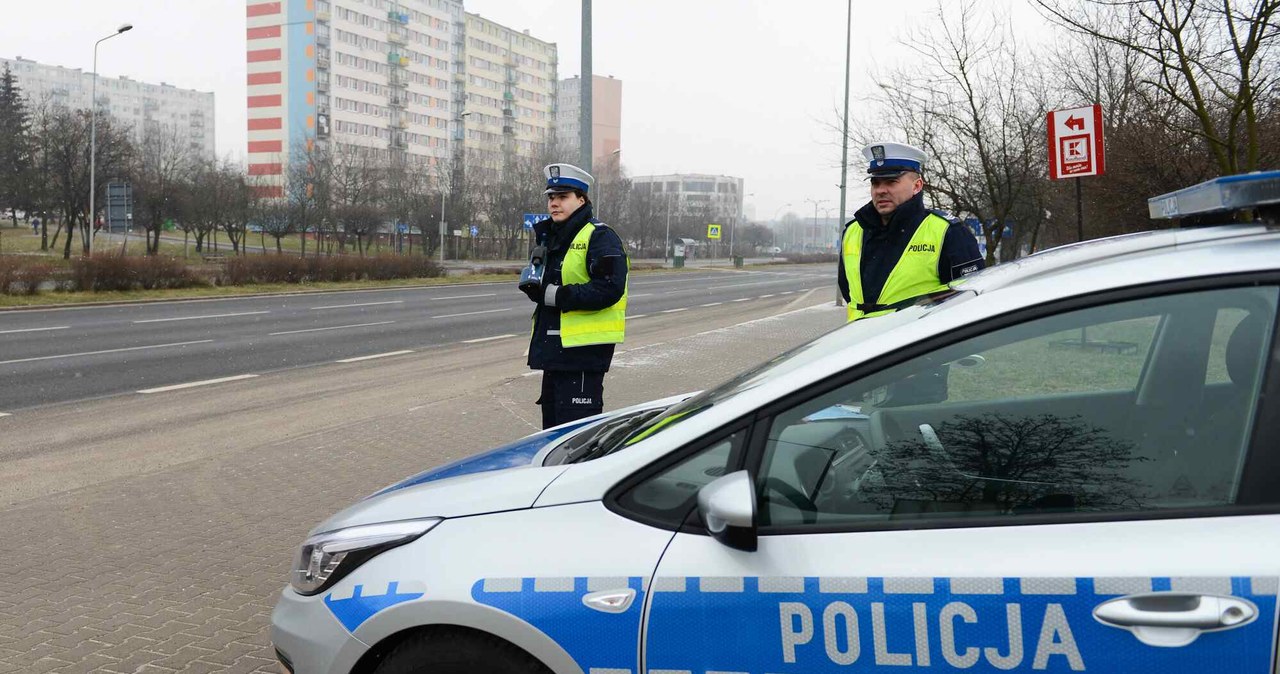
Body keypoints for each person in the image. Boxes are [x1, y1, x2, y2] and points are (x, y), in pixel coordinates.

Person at [522, 163, 629, 429]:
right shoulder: (552, 238)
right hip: (555, 356)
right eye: (551, 197)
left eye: (562, 197)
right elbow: (551, 288)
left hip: (582, 358)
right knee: (553, 438)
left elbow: (609, 288)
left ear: (581, 199)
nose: (554, 203)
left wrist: (555, 295)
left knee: (577, 443)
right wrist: (535, 287)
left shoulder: (600, 236)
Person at [838, 142, 984, 323]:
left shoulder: (948, 231)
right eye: (875, 183)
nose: (881, 190)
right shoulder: (853, 231)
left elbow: (969, 300)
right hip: (858, 343)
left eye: (891, 181)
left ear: (917, 186)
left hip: (916, 346)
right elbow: (847, 290)